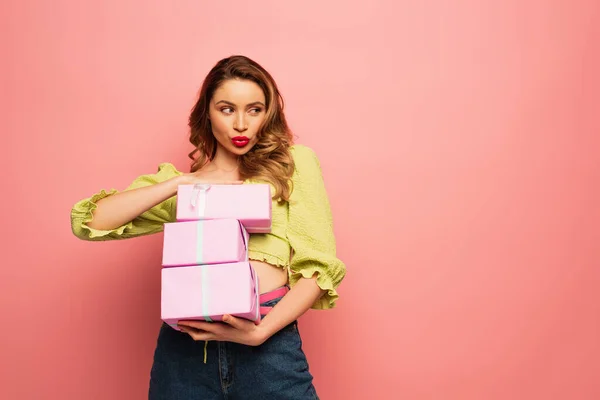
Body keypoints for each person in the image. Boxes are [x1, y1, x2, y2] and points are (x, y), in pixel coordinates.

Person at [70, 55, 346, 400]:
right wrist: (182, 182)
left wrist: (261, 334)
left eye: (255, 109)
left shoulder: (293, 164)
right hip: (185, 352)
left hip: (268, 346)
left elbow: (318, 268)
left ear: (268, 114)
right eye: (227, 109)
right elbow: (89, 221)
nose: (241, 124)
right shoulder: (184, 186)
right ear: (207, 113)